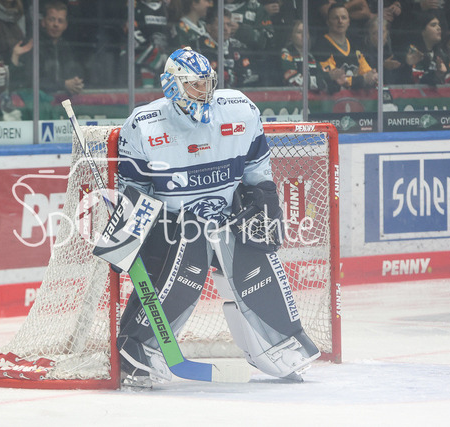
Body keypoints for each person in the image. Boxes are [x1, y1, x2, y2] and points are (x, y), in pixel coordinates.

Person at [116, 47, 320, 386]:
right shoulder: (143, 125)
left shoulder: (239, 110)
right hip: (173, 229)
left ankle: (280, 346)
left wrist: (265, 201)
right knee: (184, 273)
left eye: (207, 83)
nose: (204, 92)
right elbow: (134, 191)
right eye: (194, 85)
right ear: (172, 86)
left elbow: (257, 171)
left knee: (257, 265)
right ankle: (139, 349)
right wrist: (126, 238)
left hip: (227, 217)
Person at [312, 3, 378, 91]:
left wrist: (372, 76)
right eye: (336, 18)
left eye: (344, 18)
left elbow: (366, 71)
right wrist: (363, 80)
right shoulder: (321, 46)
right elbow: (336, 79)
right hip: (332, 98)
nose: (340, 21)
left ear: (348, 22)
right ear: (328, 22)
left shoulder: (355, 44)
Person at [199, 7, 259, 87]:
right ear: (209, 28)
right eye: (221, 25)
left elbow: (247, 75)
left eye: (228, 25)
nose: (226, 29)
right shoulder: (199, 47)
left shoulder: (237, 47)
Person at [281, 20, 343, 93]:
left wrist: (335, 79)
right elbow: (295, 80)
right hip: (292, 98)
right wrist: (326, 79)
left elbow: (322, 74)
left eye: (306, 32)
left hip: (310, 99)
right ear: (291, 36)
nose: (303, 35)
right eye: (299, 32)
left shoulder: (310, 56)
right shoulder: (286, 53)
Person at [38, 1, 84, 96]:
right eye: (52, 20)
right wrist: (63, 84)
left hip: (63, 101)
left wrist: (76, 83)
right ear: (43, 22)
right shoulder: (35, 46)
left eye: (60, 21)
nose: (56, 24)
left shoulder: (66, 47)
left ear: (65, 25)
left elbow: (73, 73)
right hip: (41, 101)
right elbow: (32, 82)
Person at [395, 12, 446, 85]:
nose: (439, 28)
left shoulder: (441, 54)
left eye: (439, 25)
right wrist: (407, 64)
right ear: (422, 31)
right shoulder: (410, 52)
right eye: (433, 25)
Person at [360, 15, 401, 85]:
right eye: (374, 33)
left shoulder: (392, 49)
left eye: (382, 32)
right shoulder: (364, 53)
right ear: (369, 36)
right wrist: (383, 65)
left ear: (387, 33)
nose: (379, 36)